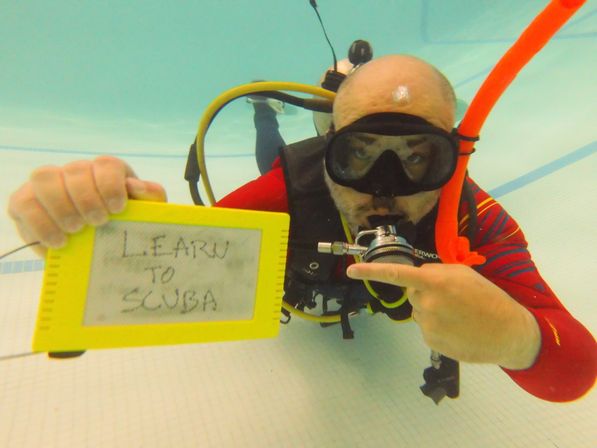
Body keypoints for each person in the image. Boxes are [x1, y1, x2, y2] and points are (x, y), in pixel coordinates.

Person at [7, 54, 595, 403]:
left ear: (454, 161)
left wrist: (522, 337)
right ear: (330, 151)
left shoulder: (469, 215)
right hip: (294, 179)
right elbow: (142, 276)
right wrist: (109, 231)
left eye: (419, 157)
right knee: (273, 153)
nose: (382, 186)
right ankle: (267, 117)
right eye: (359, 154)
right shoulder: (288, 189)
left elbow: (578, 370)